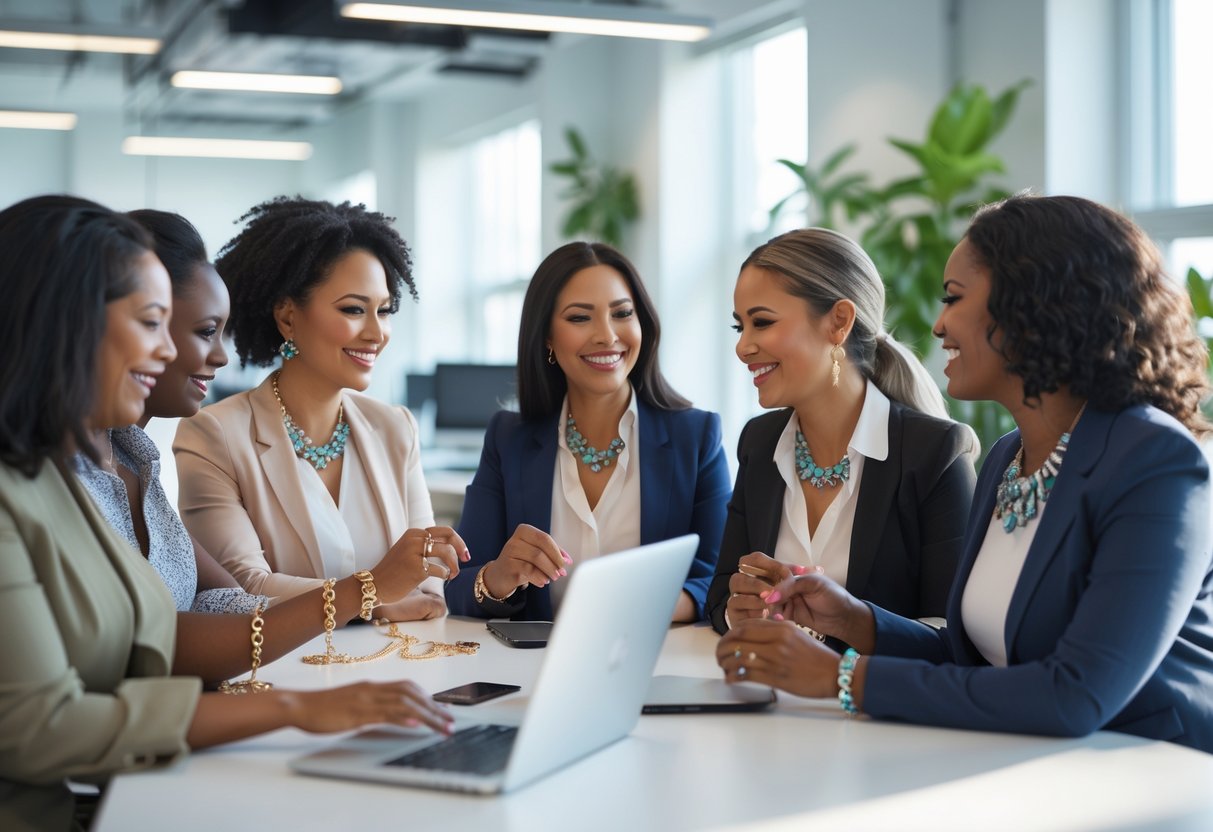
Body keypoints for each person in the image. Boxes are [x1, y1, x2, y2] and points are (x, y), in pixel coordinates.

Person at [0, 195, 457, 831]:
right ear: (68, 323)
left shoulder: (120, 460)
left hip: (149, 776)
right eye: (153, 323)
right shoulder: (40, 488)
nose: (176, 354)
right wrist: (296, 701)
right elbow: (49, 722)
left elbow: (202, 609)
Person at [718, 194, 1213, 754]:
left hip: (1153, 775)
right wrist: (855, 619)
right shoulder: (1007, 456)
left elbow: (1073, 694)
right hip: (1025, 761)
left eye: (954, 298)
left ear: (1033, 305)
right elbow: (974, 657)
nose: (937, 324)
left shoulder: (1156, 461)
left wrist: (844, 679)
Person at [174, 197, 448, 620]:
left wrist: (392, 595)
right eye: (354, 310)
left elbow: (428, 584)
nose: (376, 332)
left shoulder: (396, 428)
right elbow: (243, 587)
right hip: (284, 674)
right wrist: (374, 597)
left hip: (404, 666)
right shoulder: (213, 435)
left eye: (385, 311)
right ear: (287, 318)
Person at [705, 228, 976, 635]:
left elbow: (951, 632)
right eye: (739, 327)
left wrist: (846, 631)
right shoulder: (759, 443)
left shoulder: (936, 453)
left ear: (839, 322)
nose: (743, 347)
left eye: (761, 322)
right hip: (763, 693)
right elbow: (721, 594)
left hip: (875, 699)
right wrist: (737, 609)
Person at [444, 241, 731, 621]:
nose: (607, 335)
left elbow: (720, 580)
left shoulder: (696, 437)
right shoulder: (507, 438)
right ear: (547, 337)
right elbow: (460, 586)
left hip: (655, 666)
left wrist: (647, 606)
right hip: (530, 672)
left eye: (622, 313)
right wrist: (498, 577)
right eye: (580, 318)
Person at [75, 209, 265, 614]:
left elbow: (233, 604)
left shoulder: (132, 454)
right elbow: (142, 635)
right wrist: (363, 593)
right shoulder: (57, 471)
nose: (221, 357)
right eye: (206, 331)